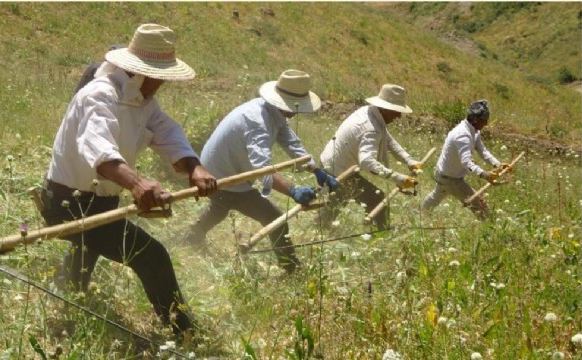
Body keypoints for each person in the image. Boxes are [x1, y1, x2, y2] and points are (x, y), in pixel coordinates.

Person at [40, 23, 217, 335]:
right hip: (68, 202)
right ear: (145, 72)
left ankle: (68, 293)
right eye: (161, 75)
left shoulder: (143, 101)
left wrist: (194, 168)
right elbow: (98, 148)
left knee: (88, 245)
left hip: (100, 201)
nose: (163, 82)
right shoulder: (100, 95)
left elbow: (167, 132)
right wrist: (137, 184)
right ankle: (185, 332)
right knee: (152, 256)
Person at [182, 69, 338, 274]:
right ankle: (291, 268)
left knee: (221, 206)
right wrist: (293, 190)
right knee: (275, 218)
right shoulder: (258, 122)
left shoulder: (272, 111)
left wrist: (316, 169)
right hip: (219, 176)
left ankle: (188, 239)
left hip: (220, 169)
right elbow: (262, 170)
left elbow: (290, 141)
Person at [53, 43, 124, 296]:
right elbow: (85, 116)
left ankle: (72, 280)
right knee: (88, 226)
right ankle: (69, 281)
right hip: (88, 155)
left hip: (104, 159)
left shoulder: (127, 90)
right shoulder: (99, 81)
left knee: (92, 229)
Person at [318, 84, 421, 230]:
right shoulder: (371, 128)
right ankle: (380, 236)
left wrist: (409, 160)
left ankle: (320, 227)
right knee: (378, 201)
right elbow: (366, 161)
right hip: (338, 171)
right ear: (386, 108)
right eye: (396, 111)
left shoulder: (369, 112)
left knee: (337, 202)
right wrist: (398, 177)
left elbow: (387, 139)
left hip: (330, 162)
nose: (399, 116)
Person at [421, 99, 509, 220]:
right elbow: (466, 161)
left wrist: (497, 164)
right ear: (476, 120)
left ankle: (420, 213)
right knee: (480, 207)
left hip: (443, 174)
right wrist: (484, 174)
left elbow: (482, 151)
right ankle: (490, 229)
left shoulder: (474, 131)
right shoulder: (463, 135)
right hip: (451, 179)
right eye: (484, 121)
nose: (486, 124)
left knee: (435, 197)